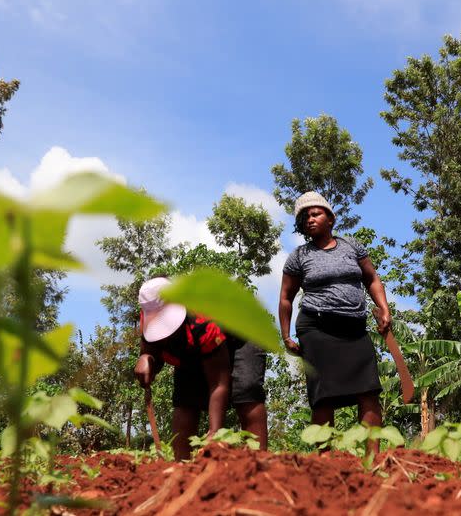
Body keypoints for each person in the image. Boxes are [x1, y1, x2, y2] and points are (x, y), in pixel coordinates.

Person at [279, 191, 391, 454]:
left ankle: (372, 457)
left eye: (315, 213)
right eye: (305, 217)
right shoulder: (299, 256)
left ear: (330, 218)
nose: (310, 219)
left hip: (354, 330)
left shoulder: (352, 246)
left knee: (369, 391)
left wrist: (383, 308)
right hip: (316, 329)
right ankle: (325, 459)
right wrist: (286, 335)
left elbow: (372, 279)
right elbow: (286, 297)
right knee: (323, 395)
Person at [133, 277, 268, 460]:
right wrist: (145, 357)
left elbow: (219, 384)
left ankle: (259, 462)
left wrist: (215, 432)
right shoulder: (149, 313)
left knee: (246, 390)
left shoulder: (201, 319)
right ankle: (181, 466)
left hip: (242, 334)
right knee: (185, 401)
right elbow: (152, 350)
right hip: (196, 344)